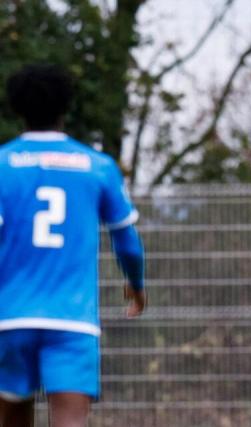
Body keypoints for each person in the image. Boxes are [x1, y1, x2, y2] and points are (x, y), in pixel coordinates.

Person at [0, 64, 146, 427]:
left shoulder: (3, 164)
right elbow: (127, 242)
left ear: (17, 108)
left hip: (10, 317)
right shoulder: (97, 167)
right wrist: (135, 285)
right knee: (70, 422)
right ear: (66, 107)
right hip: (72, 322)